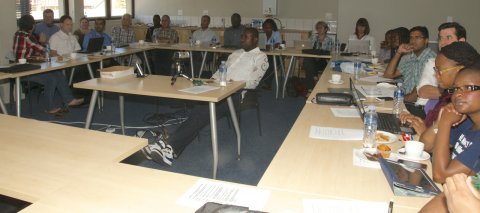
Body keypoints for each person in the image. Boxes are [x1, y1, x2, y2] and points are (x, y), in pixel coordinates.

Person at [141, 28, 269, 166]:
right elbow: (219, 73)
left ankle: (169, 147)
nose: (242, 39)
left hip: (237, 95)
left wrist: (230, 84)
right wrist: (207, 83)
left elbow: (253, 83)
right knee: (195, 103)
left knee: (203, 111)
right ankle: (168, 147)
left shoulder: (261, 57)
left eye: (246, 37)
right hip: (217, 88)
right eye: (242, 36)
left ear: (256, 39)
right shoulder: (235, 54)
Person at [420, 66, 480, 212]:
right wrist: (438, 123)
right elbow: (425, 146)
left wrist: (445, 123)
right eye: (456, 89)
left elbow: (440, 175)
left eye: (468, 87)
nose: (458, 94)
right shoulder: (467, 122)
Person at [12, 15, 84, 116]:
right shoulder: (26, 36)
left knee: (57, 73)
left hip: (29, 66)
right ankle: (49, 108)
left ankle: (69, 100)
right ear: (32, 25)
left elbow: (31, 52)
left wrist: (39, 55)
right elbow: (42, 49)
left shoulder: (19, 34)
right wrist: (43, 44)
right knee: (51, 79)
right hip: (24, 71)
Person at [417, 22, 467, 107]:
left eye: (448, 37)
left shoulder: (471, 65)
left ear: (461, 41)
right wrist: (454, 93)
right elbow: (423, 91)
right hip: (423, 109)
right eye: (440, 38)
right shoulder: (433, 62)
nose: (442, 43)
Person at [383, 26, 436, 102]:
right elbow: (388, 75)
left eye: (417, 37)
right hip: (404, 98)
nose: (413, 41)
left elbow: (414, 97)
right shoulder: (412, 57)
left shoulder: (430, 60)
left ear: (426, 40)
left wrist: (395, 99)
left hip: (413, 105)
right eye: (411, 38)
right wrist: (398, 52)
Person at [301, 21, 334, 92]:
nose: (319, 29)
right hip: (312, 59)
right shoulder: (313, 38)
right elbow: (307, 47)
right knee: (307, 60)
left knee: (308, 64)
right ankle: (313, 81)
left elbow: (331, 53)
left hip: (323, 61)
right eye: (318, 28)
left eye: (321, 28)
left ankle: (312, 84)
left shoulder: (329, 40)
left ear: (325, 29)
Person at [260, 18, 282, 90]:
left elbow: (278, 44)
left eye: (269, 27)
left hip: (274, 56)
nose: (267, 29)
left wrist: (270, 46)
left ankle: (267, 83)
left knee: (271, 63)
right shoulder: (261, 34)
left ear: (272, 27)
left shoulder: (276, 33)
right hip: (263, 55)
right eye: (265, 27)